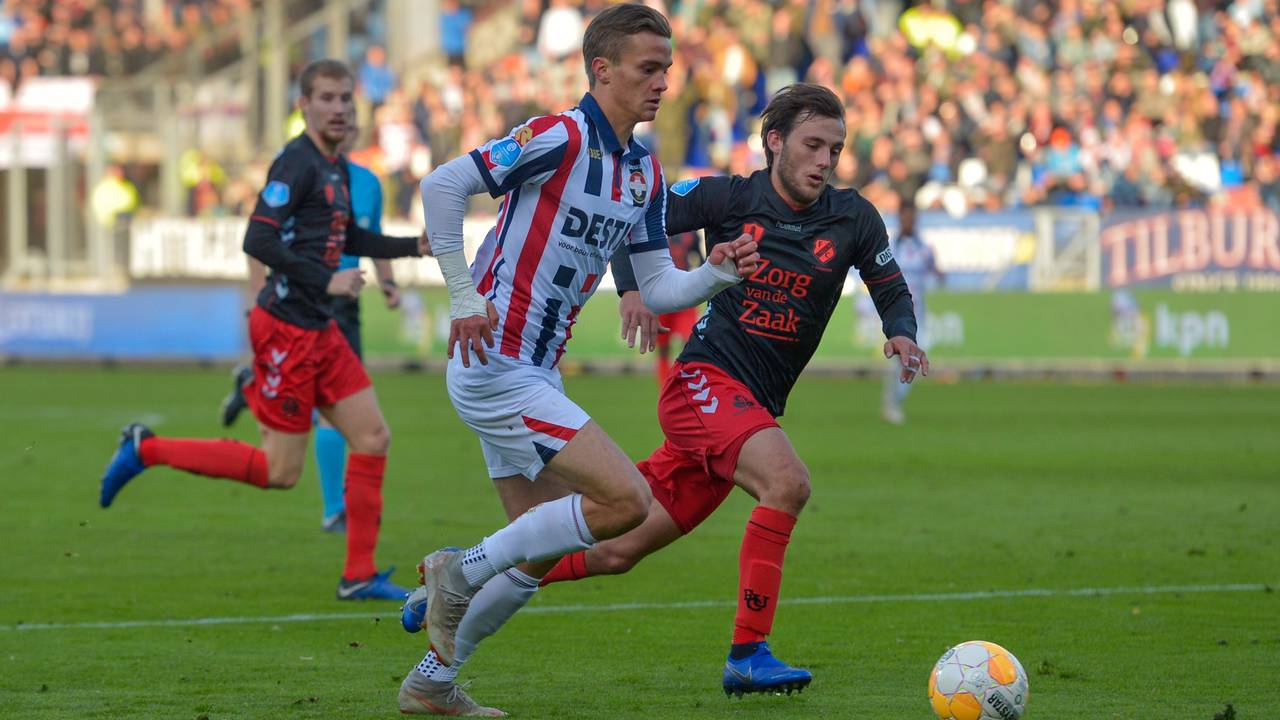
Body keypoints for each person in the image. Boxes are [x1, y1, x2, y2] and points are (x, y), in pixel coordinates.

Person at [405, 83, 927, 700]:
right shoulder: (726, 196)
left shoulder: (854, 216)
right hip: (704, 382)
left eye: (835, 149)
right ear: (775, 142)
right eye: (814, 145)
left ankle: (450, 617)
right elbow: (636, 226)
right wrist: (632, 287)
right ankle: (748, 652)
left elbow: (888, 282)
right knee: (787, 483)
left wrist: (901, 332)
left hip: (750, 406)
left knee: (613, 548)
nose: (826, 160)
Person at [396, 4, 760, 715]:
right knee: (627, 500)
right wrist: (465, 296)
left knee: (533, 552)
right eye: (647, 68)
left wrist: (715, 272)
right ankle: (456, 570)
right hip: (495, 362)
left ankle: (430, 684)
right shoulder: (558, 136)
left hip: (535, 371)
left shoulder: (642, 174)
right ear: (602, 70)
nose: (661, 83)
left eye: (667, 70)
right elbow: (443, 186)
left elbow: (654, 287)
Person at [98, 59, 426, 601]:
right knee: (280, 472)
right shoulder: (295, 164)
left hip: (320, 329)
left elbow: (352, 236)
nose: (340, 108)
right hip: (285, 331)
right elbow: (258, 241)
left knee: (373, 437)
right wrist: (327, 280)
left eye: (346, 98)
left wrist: (410, 247)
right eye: (327, 98)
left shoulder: (337, 167)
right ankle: (145, 448)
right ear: (304, 105)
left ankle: (359, 574)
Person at [220, 120, 402, 533]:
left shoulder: (365, 182)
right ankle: (335, 507)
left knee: (352, 413)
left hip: (343, 304)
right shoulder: (302, 167)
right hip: (303, 299)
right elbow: (263, 235)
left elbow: (367, 236)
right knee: (335, 414)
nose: (345, 125)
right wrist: (256, 291)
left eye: (349, 114)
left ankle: (253, 384)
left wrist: (388, 282)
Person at [878, 199, 942, 424]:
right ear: (899, 219)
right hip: (895, 315)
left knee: (914, 360)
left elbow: (934, 270)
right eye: (904, 217)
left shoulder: (923, 248)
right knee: (902, 359)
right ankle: (891, 404)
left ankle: (892, 401)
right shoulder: (889, 247)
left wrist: (939, 275)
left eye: (911, 217)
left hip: (919, 315)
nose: (908, 221)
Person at [651, 229, 704, 383]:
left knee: (689, 342)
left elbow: (700, 261)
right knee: (663, 348)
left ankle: (685, 384)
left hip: (684, 295)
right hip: (659, 296)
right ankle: (666, 386)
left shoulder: (691, 231)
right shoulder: (654, 224)